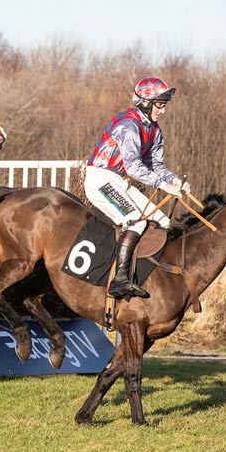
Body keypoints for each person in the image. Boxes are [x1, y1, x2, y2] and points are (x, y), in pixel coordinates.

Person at [84, 76, 190, 299]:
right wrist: (164, 186)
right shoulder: (128, 125)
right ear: (145, 103)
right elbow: (133, 167)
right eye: (160, 105)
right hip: (100, 178)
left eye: (164, 105)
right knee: (136, 220)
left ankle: (150, 279)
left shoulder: (154, 130)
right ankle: (119, 280)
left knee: (163, 222)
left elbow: (155, 165)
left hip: (119, 181)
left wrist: (174, 181)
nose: (162, 110)